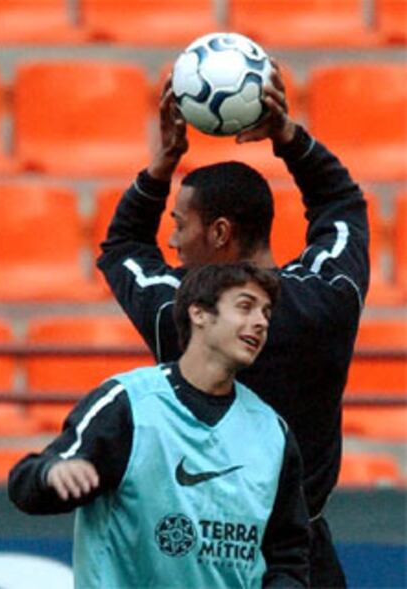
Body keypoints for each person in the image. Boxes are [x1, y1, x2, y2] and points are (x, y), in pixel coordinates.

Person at [97, 59, 370, 587]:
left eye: (179, 226)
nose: (172, 242)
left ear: (219, 232)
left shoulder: (180, 312)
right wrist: (289, 137)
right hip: (307, 556)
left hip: (204, 558)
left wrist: (162, 164)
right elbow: (342, 204)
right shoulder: (328, 297)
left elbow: (123, 246)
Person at [9, 262, 309, 588]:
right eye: (245, 307)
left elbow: (287, 555)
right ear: (199, 314)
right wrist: (51, 474)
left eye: (266, 312)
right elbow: (25, 485)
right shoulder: (129, 404)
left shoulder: (271, 432)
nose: (261, 322)